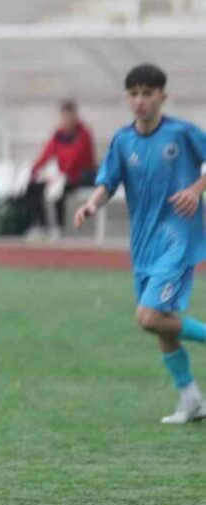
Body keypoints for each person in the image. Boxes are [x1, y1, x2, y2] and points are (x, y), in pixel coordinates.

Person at [74, 64, 206, 424]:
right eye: (134, 94)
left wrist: (196, 189)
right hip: (144, 244)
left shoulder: (181, 133)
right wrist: (91, 204)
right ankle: (191, 399)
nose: (140, 101)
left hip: (178, 239)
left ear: (162, 95)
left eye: (147, 93)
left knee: (148, 317)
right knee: (162, 320)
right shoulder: (122, 141)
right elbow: (108, 181)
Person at [25, 100, 97, 239]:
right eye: (64, 118)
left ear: (75, 117)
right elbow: (47, 153)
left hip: (79, 176)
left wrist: (60, 175)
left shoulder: (83, 134)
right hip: (61, 175)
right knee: (33, 186)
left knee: (59, 189)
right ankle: (41, 225)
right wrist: (34, 170)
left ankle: (59, 226)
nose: (67, 121)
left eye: (70, 118)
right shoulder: (58, 135)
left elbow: (77, 157)